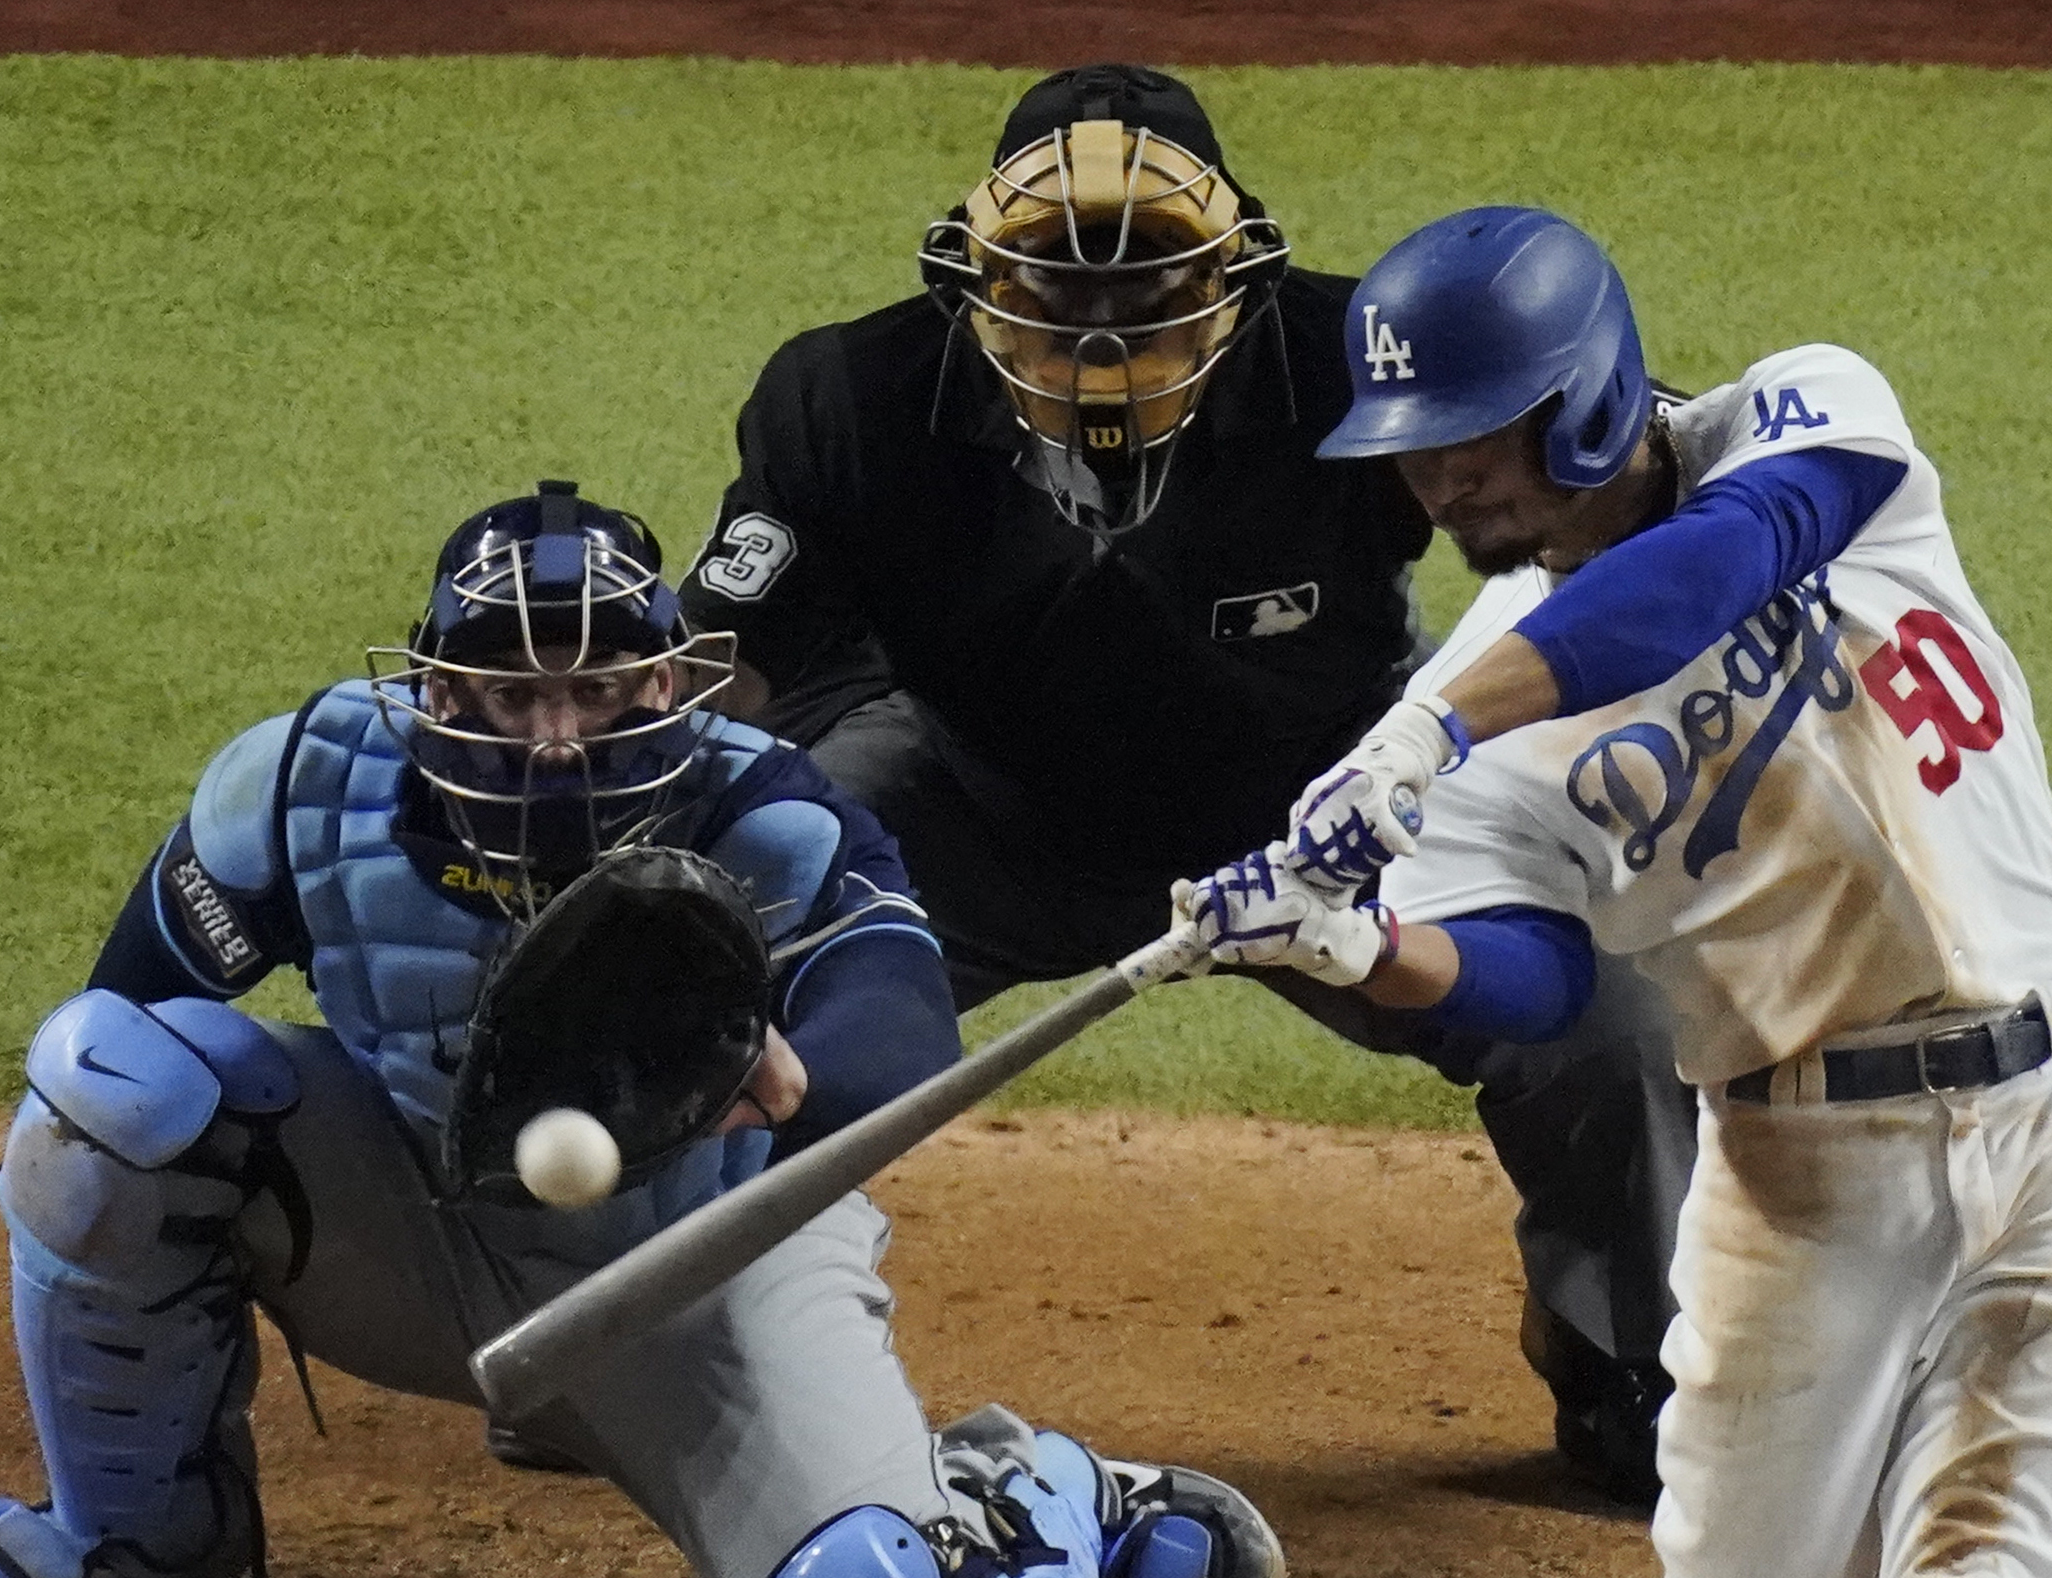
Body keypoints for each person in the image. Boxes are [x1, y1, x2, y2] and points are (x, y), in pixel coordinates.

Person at [0, 481, 1286, 1578]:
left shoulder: (767, 815)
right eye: (510, 693)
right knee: (110, 1089)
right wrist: (86, 1182)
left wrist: (784, 1075)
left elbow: (899, 1022)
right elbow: (126, 1011)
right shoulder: (301, 790)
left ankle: (1031, 1493)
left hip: (701, 1272)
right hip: (424, 1236)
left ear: (669, 687)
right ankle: (146, 1537)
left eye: (604, 690)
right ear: (435, 687)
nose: (557, 738)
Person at [1178, 208, 2052, 1578]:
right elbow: (1537, 975)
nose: (1442, 484)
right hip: (1806, 1192)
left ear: (1581, 387)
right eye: (1413, 451)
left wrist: (1422, 742)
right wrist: (1360, 951)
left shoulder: (1805, 416)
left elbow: (1716, 564)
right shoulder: (1464, 722)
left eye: (1471, 435)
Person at [681, 61, 1693, 1503]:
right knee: (714, 947)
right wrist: (637, 803)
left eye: (1149, 276)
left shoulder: (1353, 356)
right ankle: (654, 1338)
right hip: (968, 808)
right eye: (1052, 275)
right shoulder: (850, 395)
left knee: (1605, 1011)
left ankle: (1632, 1363)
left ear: (1239, 269)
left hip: (1317, 811)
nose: (1101, 318)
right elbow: (730, 664)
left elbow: (1595, 496)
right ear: (975, 270)